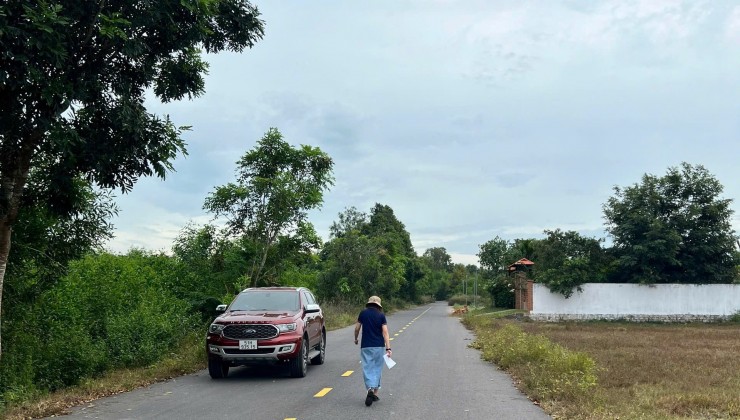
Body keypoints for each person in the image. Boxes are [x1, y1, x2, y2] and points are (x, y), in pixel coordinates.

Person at [354, 295, 392, 407]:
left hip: (365, 345)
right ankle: (375, 392)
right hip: (379, 346)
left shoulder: (363, 313)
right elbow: (385, 332)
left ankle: (370, 389)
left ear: (369, 303)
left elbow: (357, 328)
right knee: (377, 368)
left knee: (367, 367)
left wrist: (356, 338)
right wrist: (388, 348)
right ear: (378, 305)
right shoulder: (381, 315)